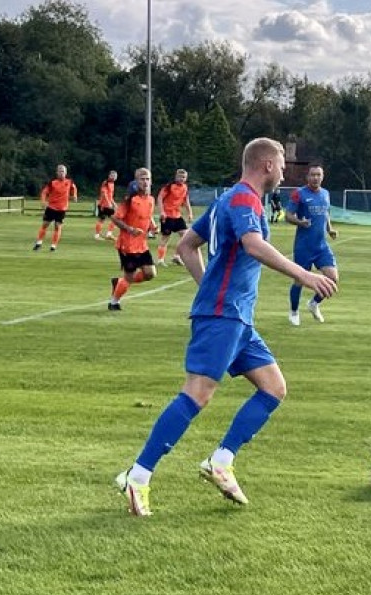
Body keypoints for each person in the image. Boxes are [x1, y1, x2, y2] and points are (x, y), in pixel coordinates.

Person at [114, 137, 337, 516]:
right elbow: (252, 244)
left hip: (235, 315)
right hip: (224, 315)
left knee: (274, 388)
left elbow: (187, 247)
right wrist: (303, 275)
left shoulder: (226, 200)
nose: (284, 171)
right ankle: (138, 476)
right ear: (266, 164)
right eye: (282, 163)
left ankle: (221, 460)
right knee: (198, 393)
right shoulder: (244, 200)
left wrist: (210, 288)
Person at [285, 163, 338, 326]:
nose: (315, 178)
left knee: (333, 278)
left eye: (318, 175)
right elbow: (288, 215)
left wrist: (330, 229)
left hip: (321, 246)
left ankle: (314, 303)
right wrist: (300, 222)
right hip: (304, 246)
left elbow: (325, 212)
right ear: (308, 177)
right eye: (312, 175)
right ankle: (294, 311)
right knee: (299, 280)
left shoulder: (325, 194)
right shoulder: (299, 194)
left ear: (322, 177)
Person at [107, 168, 158, 311]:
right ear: (136, 181)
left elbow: (148, 216)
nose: (145, 182)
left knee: (150, 273)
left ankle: (119, 282)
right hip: (127, 245)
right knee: (129, 277)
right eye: (142, 179)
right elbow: (116, 218)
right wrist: (130, 229)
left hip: (142, 244)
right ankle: (114, 302)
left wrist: (153, 226)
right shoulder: (130, 200)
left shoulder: (151, 199)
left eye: (147, 179)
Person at [33, 164, 77, 252]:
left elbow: (74, 188)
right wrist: (43, 201)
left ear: (66, 173)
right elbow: (44, 192)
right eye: (59, 171)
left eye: (63, 171)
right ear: (57, 172)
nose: (61, 173)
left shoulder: (69, 182)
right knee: (45, 225)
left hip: (62, 209)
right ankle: (39, 243)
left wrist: (74, 196)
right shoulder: (52, 183)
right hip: (51, 207)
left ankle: (53, 246)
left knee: (57, 227)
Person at [155, 169, 194, 266]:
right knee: (165, 237)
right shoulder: (169, 187)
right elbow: (160, 198)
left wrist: (190, 213)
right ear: (176, 177)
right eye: (180, 177)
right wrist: (162, 211)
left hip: (177, 215)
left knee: (185, 235)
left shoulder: (185, 187)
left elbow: (186, 201)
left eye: (184, 177)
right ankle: (160, 260)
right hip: (167, 215)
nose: (182, 179)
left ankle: (176, 256)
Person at [93, 170, 118, 240]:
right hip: (104, 205)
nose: (114, 177)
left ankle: (101, 235)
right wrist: (108, 203)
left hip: (106, 205)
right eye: (112, 175)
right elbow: (104, 194)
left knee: (104, 220)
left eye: (115, 176)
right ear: (109, 176)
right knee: (115, 218)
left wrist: (113, 203)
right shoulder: (106, 183)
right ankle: (107, 234)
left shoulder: (112, 184)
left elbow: (110, 196)